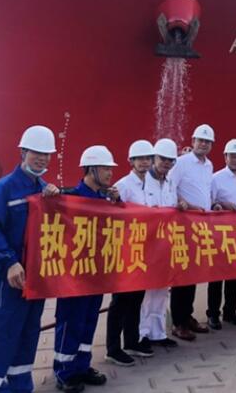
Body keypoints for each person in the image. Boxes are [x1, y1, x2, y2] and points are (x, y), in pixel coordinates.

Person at [0, 125, 59, 393]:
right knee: (4, 331)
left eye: (47, 154)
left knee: (28, 332)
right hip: (12, 278)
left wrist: (54, 201)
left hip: (36, 278)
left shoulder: (44, 189)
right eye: (37, 152)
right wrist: (9, 262)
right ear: (23, 152)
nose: (42, 158)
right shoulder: (4, 188)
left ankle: (21, 385)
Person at [54, 145, 121, 392]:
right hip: (74, 275)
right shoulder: (69, 198)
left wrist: (118, 202)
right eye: (105, 168)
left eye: (110, 169)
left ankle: (82, 366)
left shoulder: (104, 200)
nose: (110, 173)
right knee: (70, 322)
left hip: (96, 274)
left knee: (89, 321)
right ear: (91, 169)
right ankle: (64, 371)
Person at [104, 140, 156, 367]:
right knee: (120, 301)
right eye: (140, 158)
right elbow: (109, 212)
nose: (144, 162)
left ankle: (132, 341)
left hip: (143, 251)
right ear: (131, 161)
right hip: (125, 251)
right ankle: (113, 348)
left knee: (136, 298)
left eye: (147, 158)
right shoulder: (123, 185)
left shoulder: (149, 184)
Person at [135, 138, 183, 349]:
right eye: (163, 159)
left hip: (165, 246)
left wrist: (182, 204)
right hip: (145, 246)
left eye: (171, 160)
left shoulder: (170, 182)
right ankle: (141, 335)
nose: (166, 163)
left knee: (162, 291)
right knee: (145, 292)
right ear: (154, 158)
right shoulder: (141, 181)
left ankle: (158, 333)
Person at [168, 124, 214, 340]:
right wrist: (182, 202)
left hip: (201, 225)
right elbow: (170, 187)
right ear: (193, 141)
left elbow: (205, 191)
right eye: (200, 140)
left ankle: (187, 316)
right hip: (184, 223)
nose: (203, 144)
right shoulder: (181, 162)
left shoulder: (209, 165)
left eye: (207, 141)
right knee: (182, 273)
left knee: (193, 272)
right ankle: (178, 322)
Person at [207, 139, 236, 329]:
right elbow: (209, 202)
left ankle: (230, 311)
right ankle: (213, 314)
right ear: (225, 157)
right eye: (232, 156)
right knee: (216, 277)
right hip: (220, 234)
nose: (235, 160)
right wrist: (221, 205)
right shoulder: (216, 178)